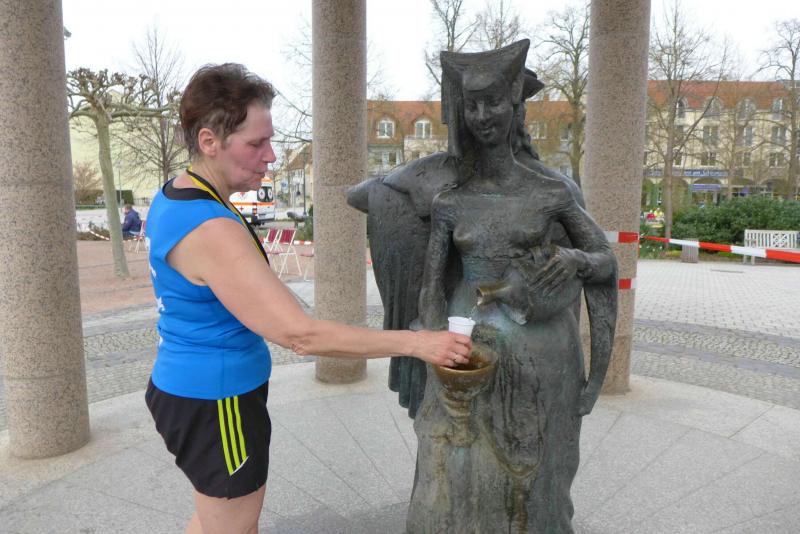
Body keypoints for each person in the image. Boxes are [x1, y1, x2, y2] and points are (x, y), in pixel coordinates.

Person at [144, 63, 472, 534]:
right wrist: (419, 343)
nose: (271, 156)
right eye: (256, 143)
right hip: (217, 402)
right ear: (209, 140)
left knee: (215, 519)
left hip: (190, 389)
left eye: (270, 140)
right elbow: (301, 335)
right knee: (234, 527)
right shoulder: (211, 226)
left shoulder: (179, 194)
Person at [406, 40, 618, 532]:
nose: (482, 116)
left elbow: (605, 260)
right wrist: (434, 352)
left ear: (514, 106)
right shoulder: (450, 202)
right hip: (468, 347)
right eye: (472, 105)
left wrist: (575, 260)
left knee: (538, 475)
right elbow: (431, 289)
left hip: (540, 352)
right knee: (454, 471)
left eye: (494, 103)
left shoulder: (551, 191)